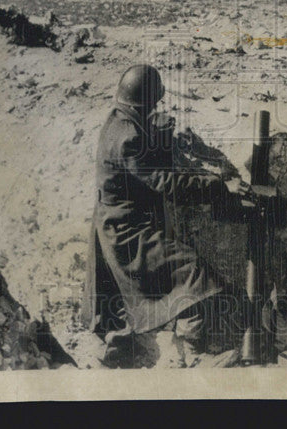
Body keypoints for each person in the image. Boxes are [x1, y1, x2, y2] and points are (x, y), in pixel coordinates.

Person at [83, 64, 262, 361]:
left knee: (144, 288)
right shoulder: (129, 138)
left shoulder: (118, 119)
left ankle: (122, 342)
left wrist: (162, 136)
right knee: (192, 274)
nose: (155, 109)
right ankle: (193, 353)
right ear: (145, 103)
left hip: (117, 219)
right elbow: (166, 182)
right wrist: (220, 184)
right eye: (152, 105)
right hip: (126, 230)